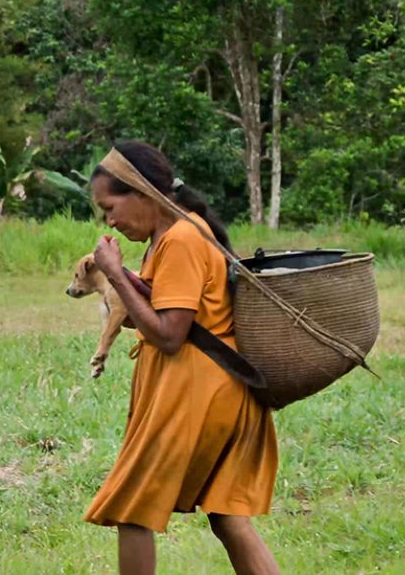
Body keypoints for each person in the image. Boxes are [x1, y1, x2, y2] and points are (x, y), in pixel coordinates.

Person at [84, 140, 280, 575]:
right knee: (228, 517)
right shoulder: (173, 235)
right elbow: (165, 316)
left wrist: (115, 274)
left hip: (195, 395)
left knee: (132, 509)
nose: (110, 220)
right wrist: (127, 287)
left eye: (111, 207)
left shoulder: (180, 240)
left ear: (141, 191)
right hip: (217, 392)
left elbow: (171, 335)